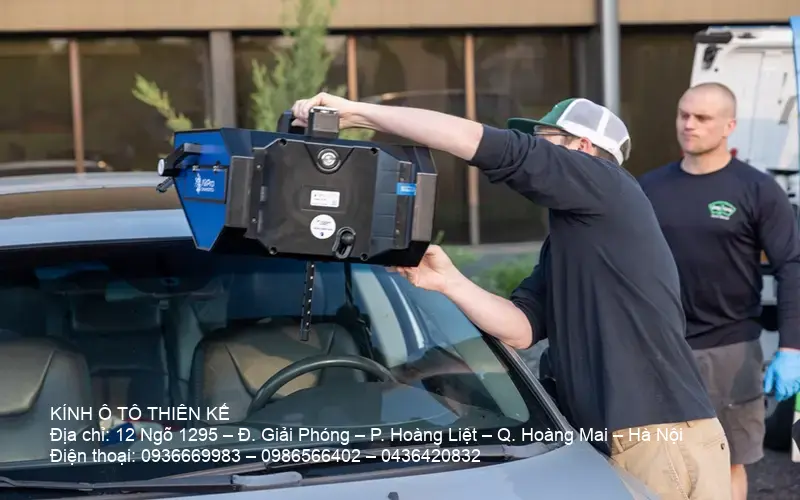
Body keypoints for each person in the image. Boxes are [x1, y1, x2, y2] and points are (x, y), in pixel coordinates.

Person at [290, 93, 732, 499]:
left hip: (657, 438)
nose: (534, 152)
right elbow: (521, 329)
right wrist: (450, 283)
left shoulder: (608, 184)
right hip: (632, 439)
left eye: (545, 142)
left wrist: (358, 113)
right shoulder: (574, 239)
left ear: (582, 150)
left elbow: (481, 144)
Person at [638, 82, 800, 500]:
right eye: (683, 114)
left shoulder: (757, 189)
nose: (688, 124)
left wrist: (792, 348)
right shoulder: (648, 189)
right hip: (657, 348)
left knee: (726, 462)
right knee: (656, 461)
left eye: (702, 118)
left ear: (729, 126)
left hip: (729, 351)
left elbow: (792, 266)